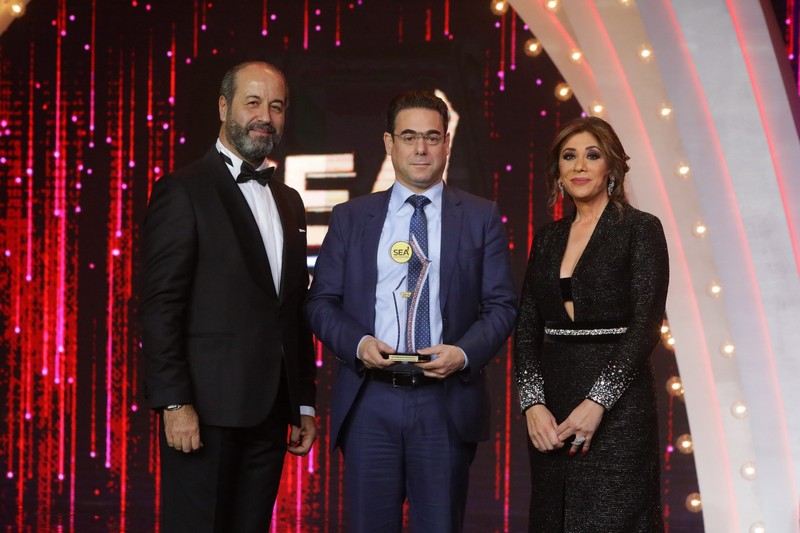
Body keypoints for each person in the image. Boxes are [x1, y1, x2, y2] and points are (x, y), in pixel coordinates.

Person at [305, 90, 517, 532]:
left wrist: (463, 354)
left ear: (447, 143)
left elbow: (501, 306)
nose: (421, 148)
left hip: (445, 401)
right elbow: (321, 302)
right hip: (370, 399)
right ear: (389, 142)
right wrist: (358, 344)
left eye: (432, 137)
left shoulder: (480, 216)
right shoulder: (350, 217)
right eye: (409, 136)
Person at [140, 61, 317, 532]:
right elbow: (161, 305)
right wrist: (174, 403)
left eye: (276, 106)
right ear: (223, 107)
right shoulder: (183, 190)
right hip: (204, 414)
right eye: (252, 102)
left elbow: (292, 309)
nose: (265, 117)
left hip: (271, 413)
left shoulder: (289, 201)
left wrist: (302, 402)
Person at [514, 117, 668, 532]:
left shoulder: (640, 229)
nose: (580, 165)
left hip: (619, 407)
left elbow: (647, 324)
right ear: (558, 171)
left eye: (592, 155)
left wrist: (598, 401)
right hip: (552, 410)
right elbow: (526, 328)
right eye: (569, 156)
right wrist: (532, 404)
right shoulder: (547, 238)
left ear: (611, 168)